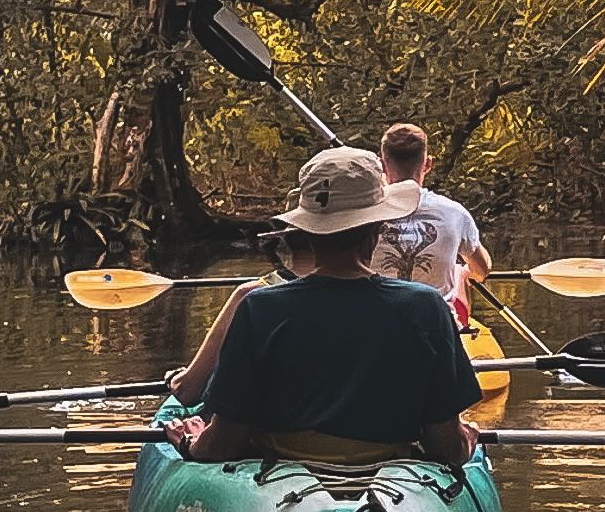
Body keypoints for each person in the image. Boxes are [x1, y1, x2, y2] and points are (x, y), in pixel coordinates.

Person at [166, 146, 483, 465]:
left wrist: (190, 441)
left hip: (281, 480)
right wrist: (466, 442)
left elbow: (221, 445)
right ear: (378, 229)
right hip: (391, 472)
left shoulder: (259, 307)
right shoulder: (426, 307)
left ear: (305, 232)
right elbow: (446, 448)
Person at [367, 121, 491, 324]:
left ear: (382, 165)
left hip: (380, 328)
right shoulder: (455, 213)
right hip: (437, 329)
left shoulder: (364, 216)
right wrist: (462, 274)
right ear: (428, 164)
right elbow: (483, 269)